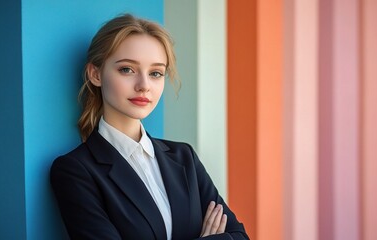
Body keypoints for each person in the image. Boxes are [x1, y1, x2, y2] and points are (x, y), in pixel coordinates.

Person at [50, 13, 249, 240]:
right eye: (127, 69)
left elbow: (240, 236)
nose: (144, 86)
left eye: (155, 73)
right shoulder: (76, 170)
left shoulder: (184, 158)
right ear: (95, 74)